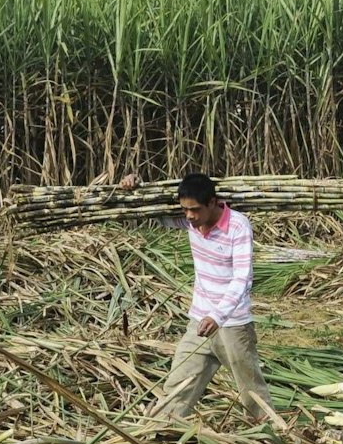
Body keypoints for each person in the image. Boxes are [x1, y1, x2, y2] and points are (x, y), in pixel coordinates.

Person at [117, 171, 280, 427]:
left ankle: (269, 437)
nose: (189, 216)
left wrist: (217, 316)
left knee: (251, 391)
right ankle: (158, 433)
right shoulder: (189, 222)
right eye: (185, 210)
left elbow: (242, 279)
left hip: (233, 325)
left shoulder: (237, 226)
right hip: (198, 321)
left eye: (194, 210)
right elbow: (153, 215)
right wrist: (136, 188)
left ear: (213, 203)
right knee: (178, 385)